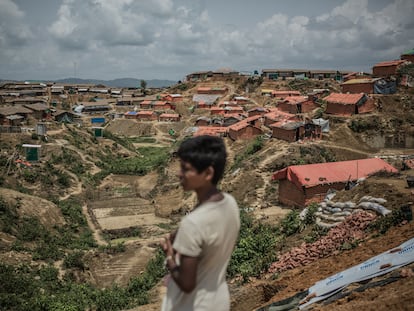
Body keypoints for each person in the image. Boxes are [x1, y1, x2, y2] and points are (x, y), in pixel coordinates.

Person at [161, 135, 240, 311]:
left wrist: (169, 257)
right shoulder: (229, 203)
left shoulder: (194, 223)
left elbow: (187, 283)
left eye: (186, 169)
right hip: (217, 300)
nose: (179, 174)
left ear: (208, 173)